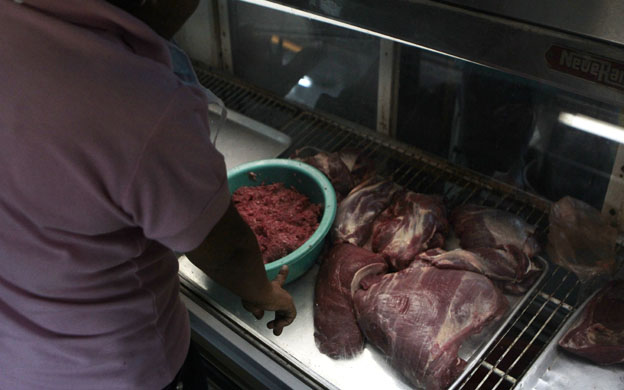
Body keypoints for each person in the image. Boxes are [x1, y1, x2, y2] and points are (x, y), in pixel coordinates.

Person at [0, 0, 297, 389]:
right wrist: (264, 291)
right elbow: (227, 248)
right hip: (121, 368)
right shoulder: (139, 102)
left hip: (18, 361)